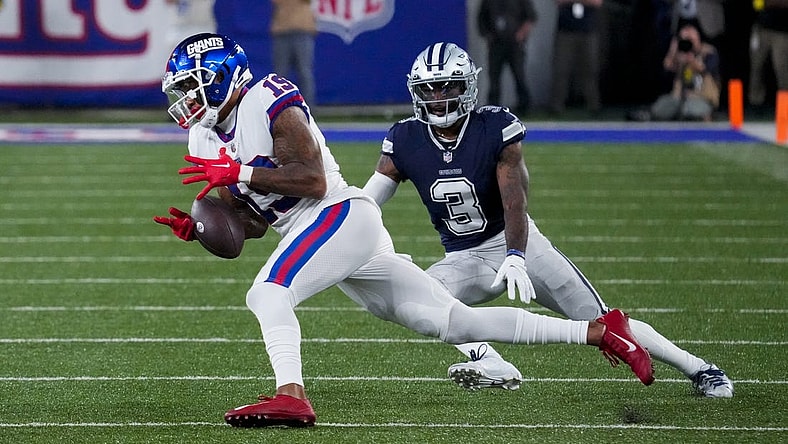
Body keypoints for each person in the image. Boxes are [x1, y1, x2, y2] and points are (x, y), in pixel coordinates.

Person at [154, 33, 655, 428]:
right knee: (454, 324)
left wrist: (237, 173)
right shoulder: (203, 137)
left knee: (267, 295)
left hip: (341, 214)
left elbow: (310, 179)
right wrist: (203, 227)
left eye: (189, 87)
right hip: (317, 232)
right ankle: (597, 332)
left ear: (221, 79)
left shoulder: (268, 98)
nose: (184, 102)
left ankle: (291, 397)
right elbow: (255, 225)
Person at [362, 42, 733, 398]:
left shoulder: (494, 128)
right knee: (423, 304)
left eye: (448, 87)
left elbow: (514, 202)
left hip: (516, 242)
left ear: (468, 86)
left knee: (601, 320)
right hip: (461, 257)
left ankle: (699, 367)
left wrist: (515, 255)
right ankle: (489, 360)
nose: (440, 98)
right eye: (430, 90)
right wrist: (355, 236)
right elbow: (368, 203)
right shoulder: (405, 138)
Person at [649, 23, 720, 121]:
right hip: (679, 97)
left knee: (690, 110)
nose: (688, 42)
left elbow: (706, 70)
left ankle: (705, 114)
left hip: (702, 96)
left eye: (691, 37)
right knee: (659, 109)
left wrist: (692, 60)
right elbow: (666, 70)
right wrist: (673, 50)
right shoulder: (679, 54)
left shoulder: (709, 52)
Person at [477, 0, 537, 114]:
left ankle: (524, 107)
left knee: (519, 75)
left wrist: (521, 34)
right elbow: (481, 18)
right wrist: (488, 36)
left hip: (515, 43)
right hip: (496, 43)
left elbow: (531, 17)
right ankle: (492, 109)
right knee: (494, 78)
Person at [548, 0, 603, 115]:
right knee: (561, 69)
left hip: (588, 31)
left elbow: (597, 2)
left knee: (590, 69)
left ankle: (593, 105)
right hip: (566, 31)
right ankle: (556, 106)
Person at [270, 0, 317, 105]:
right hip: (282, 32)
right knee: (280, 76)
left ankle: (307, 110)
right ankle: (279, 109)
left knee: (304, 73)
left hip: (303, 30)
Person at [748, 0, 788, 108]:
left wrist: (769, 3)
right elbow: (757, 4)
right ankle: (755, 102)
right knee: (756, 66)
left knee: (781, 68)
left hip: (782, 32)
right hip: (761, 28)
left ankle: (784, 103)